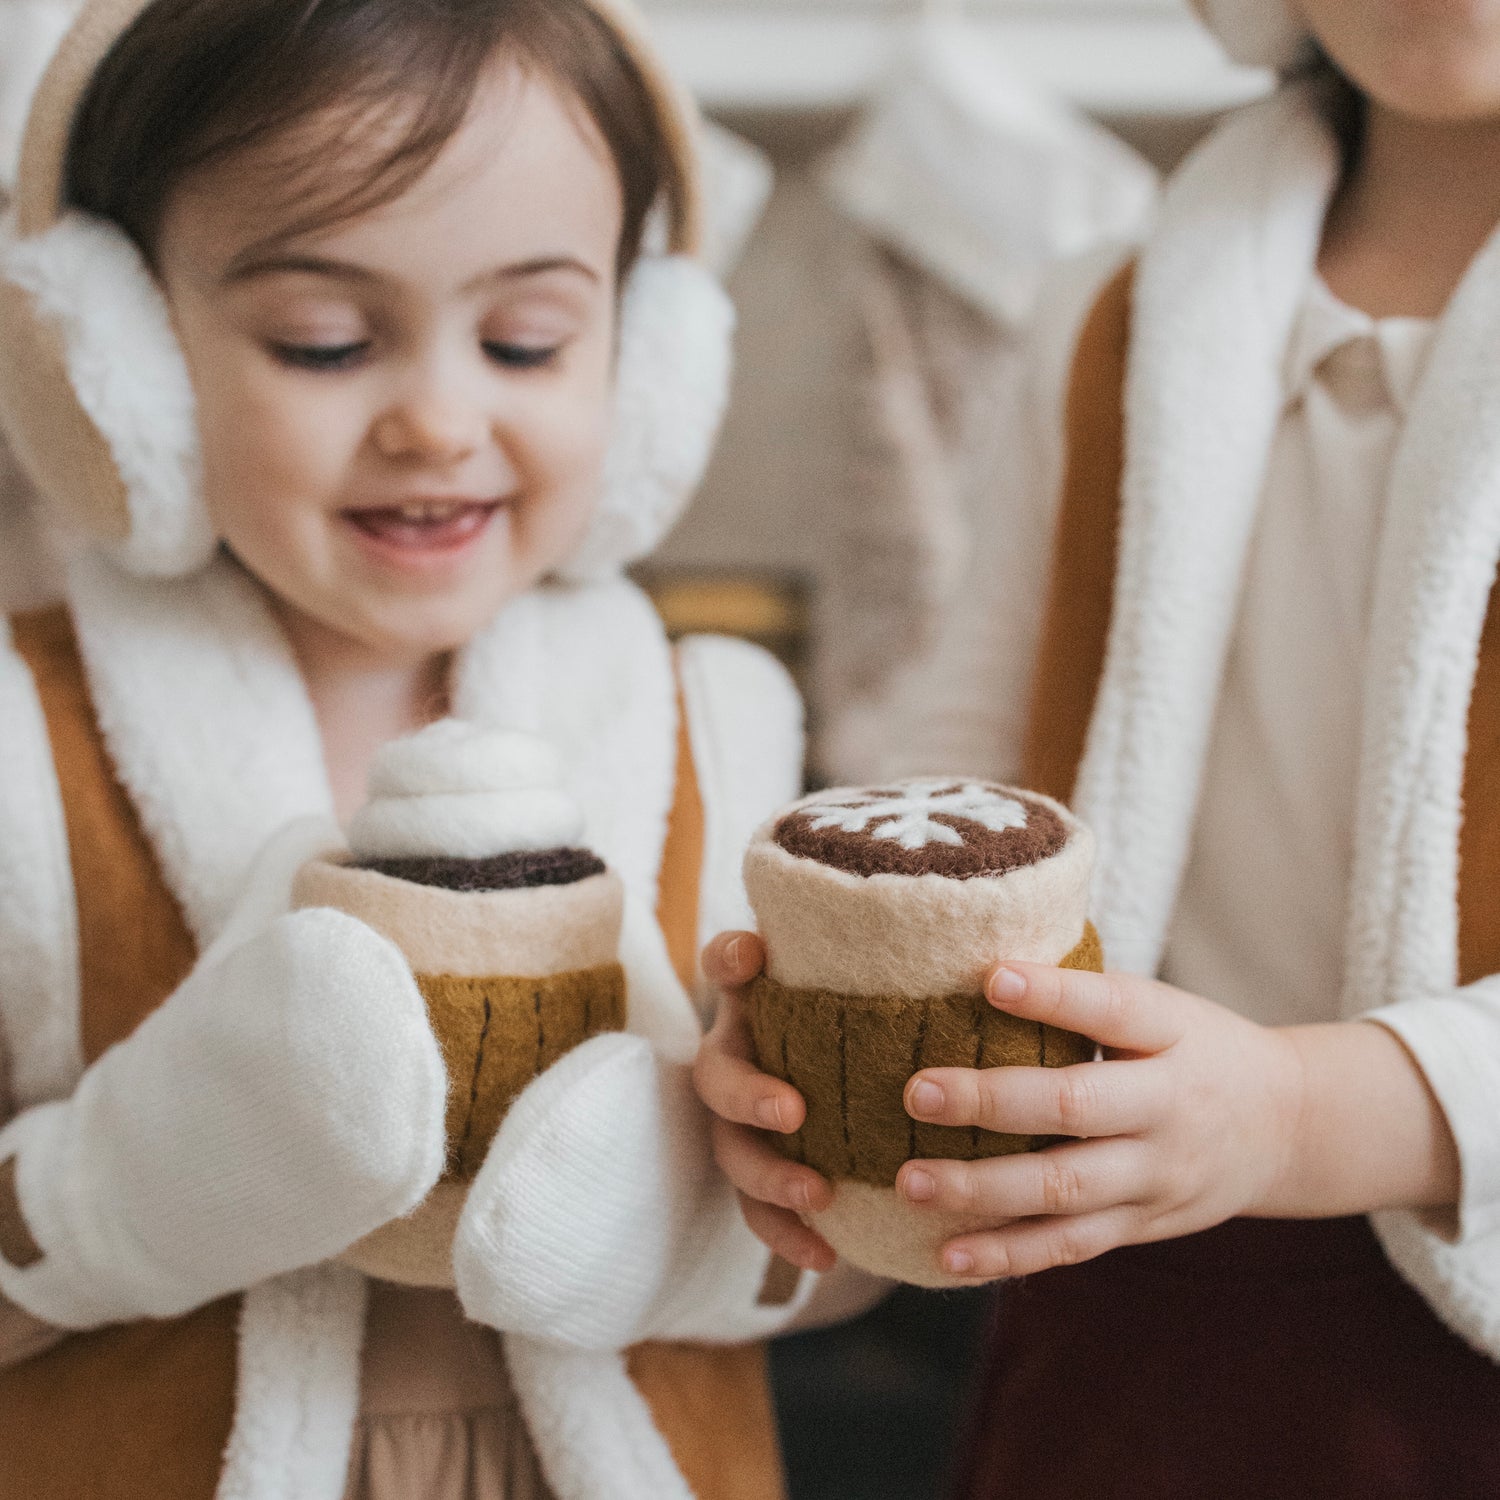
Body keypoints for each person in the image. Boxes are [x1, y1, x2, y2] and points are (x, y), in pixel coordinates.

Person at [0, 0, 823, 1496]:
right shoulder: (18, 749)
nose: (440, 421)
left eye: (526, 340)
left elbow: (848, 1260)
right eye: (324, 342)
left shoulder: (722, 726)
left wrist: (686, 1230)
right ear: (119, 359)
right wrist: (112, 1199)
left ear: (643, 365)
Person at [695, 2, 1500, 1494]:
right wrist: (829, 992)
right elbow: (971, 752)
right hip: (1123, 1298)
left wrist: (1297, 1113)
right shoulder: (1113, 315)